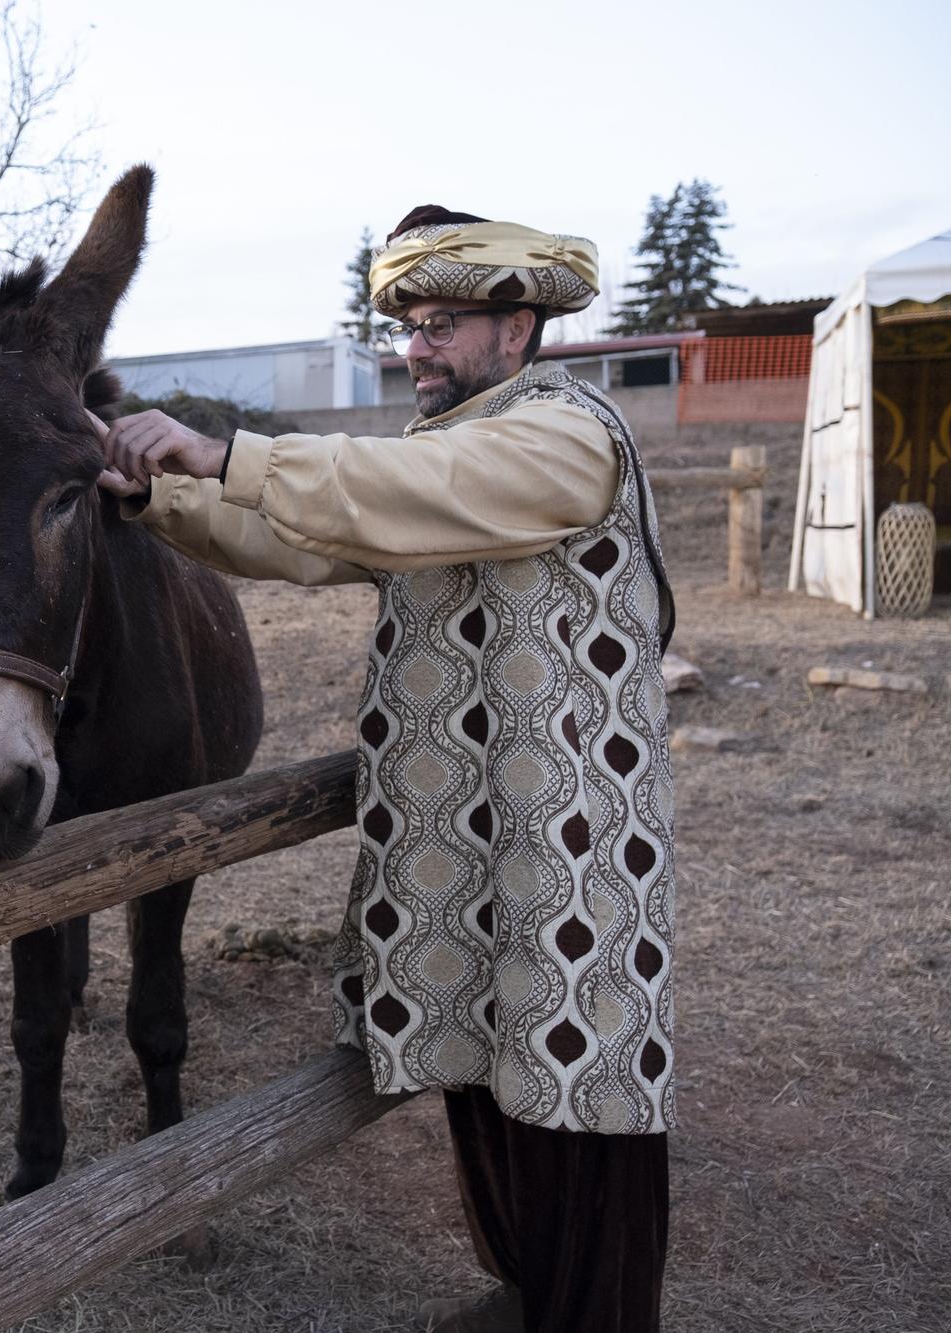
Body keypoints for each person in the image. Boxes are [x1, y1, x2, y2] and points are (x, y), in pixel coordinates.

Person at [96, 206, 675, 1333]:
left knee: (576, 1103)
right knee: (493, 1085)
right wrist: (154, 494)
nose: (414, 345)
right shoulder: (434, 462)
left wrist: (221, 450)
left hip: (569, 863)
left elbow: (390, 490)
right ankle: (529, 1298)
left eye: (442, 323)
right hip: (469, 849)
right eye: (407, 324)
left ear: (517, 329)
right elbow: (298, 535)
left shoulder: (562, 436)